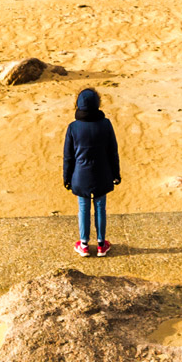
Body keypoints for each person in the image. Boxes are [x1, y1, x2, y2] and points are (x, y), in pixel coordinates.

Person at [62, 87, 120, 256]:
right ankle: (102, 244)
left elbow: (68, 157)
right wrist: (116, 174)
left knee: (83, 208)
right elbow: (112, 152)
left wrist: (66, 178)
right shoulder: (106, 124)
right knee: (101, 207)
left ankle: (84, 244)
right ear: (97, 104)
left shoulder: (73, 128)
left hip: (80, 176)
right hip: (102, 174)